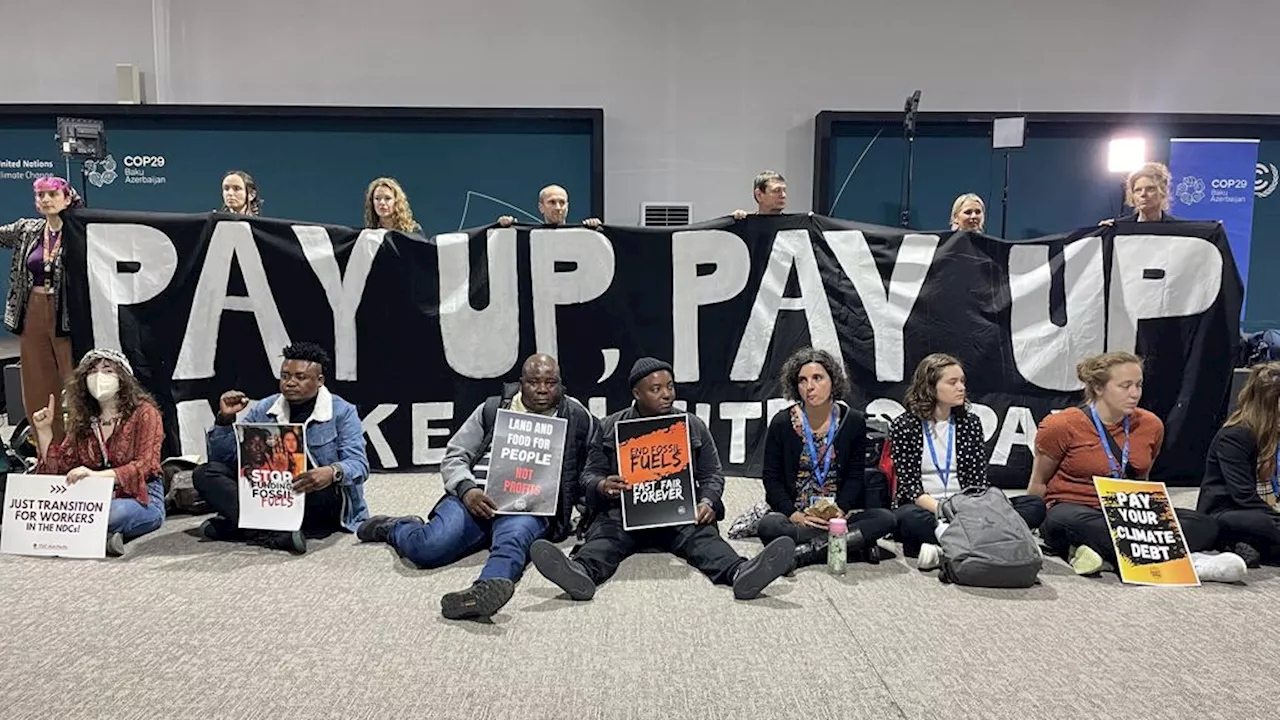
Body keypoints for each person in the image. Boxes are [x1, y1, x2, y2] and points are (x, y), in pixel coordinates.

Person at [528, 357, 795, 601]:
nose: (666, 395)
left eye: (670, 387)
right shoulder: (610, 426)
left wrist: (708, 501)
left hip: (676, 512)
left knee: (703, 540)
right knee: (604, 541)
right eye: (656, 389)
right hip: (624, 513)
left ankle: (741, 572)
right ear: (637, 393)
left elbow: (712, 473)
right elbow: (588, 476)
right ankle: (579, 573)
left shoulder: (691, 425)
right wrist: (603, 485)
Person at [357, 354, 599, 621]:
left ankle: (482, 592)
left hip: (528, 506)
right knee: (428, 549)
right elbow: (455, 455)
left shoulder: (577, 417)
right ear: (521, 383)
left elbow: (592, 465)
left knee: (512, 543)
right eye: (533, 382)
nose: (542, 389)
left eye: (550, 382)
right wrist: (467, 489)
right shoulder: (493, 409)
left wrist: (585, 512)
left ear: (562, 384)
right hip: (475, 498)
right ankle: (394, 527)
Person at [1026, 351, 1245, 581]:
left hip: (1128, 514)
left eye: (1139, 385)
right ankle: (1190, 562)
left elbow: (1143, 482)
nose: (1135, 394)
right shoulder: (1061, 425)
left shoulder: (1151, 425)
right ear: (1099, 388)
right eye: (1125, 386)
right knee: (1071, 522)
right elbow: (1039, 481)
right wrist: (1027, 529)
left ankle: (1102, 555)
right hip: (1075, 508)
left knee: (1204, 525)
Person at [193, 342, 370, 554]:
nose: (290, 383)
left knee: (319, 488)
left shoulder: (342, 411)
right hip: (269, 490)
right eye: (285, 376)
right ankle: (273, 532)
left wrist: (332, 472)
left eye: (300, 377)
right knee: (205, 473)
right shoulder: (265, 408)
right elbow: (226, 459)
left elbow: (359, 464)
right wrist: (225, 419)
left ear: (319, 381)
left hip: (312, 492)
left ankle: (245, 526)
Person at [890, 353, 1045, 569]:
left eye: (962, 381)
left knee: (1034, 505)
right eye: (952, 382)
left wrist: (967, 511)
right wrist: (944, 511)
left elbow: (977, 482)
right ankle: (994, 544)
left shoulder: (970, 423)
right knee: (907, 518)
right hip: (928, 507)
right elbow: (909, 487)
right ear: (930, 386)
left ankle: (949, 548)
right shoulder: (904, 425)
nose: (961, 387)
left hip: (966, 505)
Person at [758, 347, 895, 569]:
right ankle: (852, 543)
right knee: (769, 526)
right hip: (799, 515)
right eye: (802, 380)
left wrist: (841, 509)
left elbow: (854, 475)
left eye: (817, 378)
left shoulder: (853, 421)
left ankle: (804, 553)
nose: (809, 386)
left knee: (886, 519)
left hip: (838, 515)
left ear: (833, 381)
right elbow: (771, 478)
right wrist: (794, 515)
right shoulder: (782, 423)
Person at [31, 348, 165, 556]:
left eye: (108, 370)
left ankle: (87, 535)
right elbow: (60, 468)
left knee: (112, 512)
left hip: (141, 497)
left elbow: (145, 465)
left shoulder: (145, 412)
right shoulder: (85, 419)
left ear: (123, 378)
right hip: (91, 499)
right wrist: (44, 431)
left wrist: (96, 476)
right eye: (92, 371)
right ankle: (102, 538)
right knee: (54, 513)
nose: (99, 376)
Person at [1, 176, 84, 443]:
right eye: (41, 196)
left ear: (67, 198)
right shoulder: (27, 229)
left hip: (68, 314)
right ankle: (47, 450)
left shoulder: (81, 229)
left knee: (75, 381)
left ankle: (81, 446)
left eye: (52, 194)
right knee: (37, 383)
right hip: (33, 310)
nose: (47, 200)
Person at [1196, 362, 1280, 567]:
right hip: (1229, 511)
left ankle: (1246, 547)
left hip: (1267, 511)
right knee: (1264, 524)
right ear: (1272, 402)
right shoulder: (1235, 436)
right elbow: (1243, 496)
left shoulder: (1274, 433)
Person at [1099, 162, 1181, 225]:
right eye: (1138, 190)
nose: (1143, 194)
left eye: (1150, 189)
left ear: (1163, 192)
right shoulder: (1120, 227)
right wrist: (1103, 233)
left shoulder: (1179, 229)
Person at [497, 184, 601, 228]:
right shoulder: (530, 236)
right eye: (552, 202)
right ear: (541, 207)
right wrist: (505, 229)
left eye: (562, 202)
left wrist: (598, 231)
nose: (558, 207)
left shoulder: (586, 235)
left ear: (567, 206)